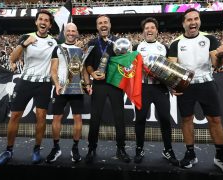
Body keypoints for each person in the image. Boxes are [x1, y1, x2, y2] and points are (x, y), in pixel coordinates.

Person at [168, 8, 223, 176]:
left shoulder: (209, 39)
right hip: (186, 85)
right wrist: (173, 85)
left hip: (206, 83)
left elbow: (216, 64)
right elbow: (172, 67)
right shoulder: (176, 43)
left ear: (199, 21)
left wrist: (220, 55)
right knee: (186, 120)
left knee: (215, 119)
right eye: (189, 19)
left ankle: (220, 156)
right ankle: (190, 154)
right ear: (183, 23)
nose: (193, 22)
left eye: (196, 19)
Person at [0, 10, 57, 165]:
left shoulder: (53, 42)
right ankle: (9, 150)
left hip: (44, 83)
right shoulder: (26, 37)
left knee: (41, 117)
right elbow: (13, 58)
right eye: (40, 19)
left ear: (49, 25)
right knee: (15, 116)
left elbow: (56, 64)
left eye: (46, 20)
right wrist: (24, 44)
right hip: (25, 82)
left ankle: (37, 149)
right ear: (36, 22)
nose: (43, 22)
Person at [84, 14, 130, 163]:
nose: (103, 25)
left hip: (116, 84)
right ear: (97, 27)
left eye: (105, 22)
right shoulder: (92, 42)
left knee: (119, 117)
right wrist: (92, 74)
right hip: (99, 84)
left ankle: (121, 148)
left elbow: (127, 63)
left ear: (110, 25)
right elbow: (88, 64)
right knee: (95, 117)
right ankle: (91, 148)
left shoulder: (119, 42)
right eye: (100, 23)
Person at [132, 17, 179, 166]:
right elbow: (131, 69)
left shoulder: (164, 47)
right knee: (140, 119)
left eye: (152, 27)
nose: (149, 30)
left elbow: (171, 70)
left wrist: (172, 86)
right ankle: (139, 148)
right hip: (143, 87)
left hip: (160, 87)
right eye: (147, 28)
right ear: (143, 31)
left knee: (165, 119)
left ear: (157, 31)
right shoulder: (136, 47)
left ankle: (168, 149)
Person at [45, 23, 92, 164]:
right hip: (60, 88)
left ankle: (75, 148)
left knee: (78, 118)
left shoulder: (80, 50)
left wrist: (88, 84)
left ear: (77, 33)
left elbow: (83, 70)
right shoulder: (57, 49)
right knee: (56, 118)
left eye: (73, 31)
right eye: (68, 31)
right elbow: (53, 69)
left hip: (76, 89)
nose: (71, 33)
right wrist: (57, 84)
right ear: (65, 32)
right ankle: (56, 147)